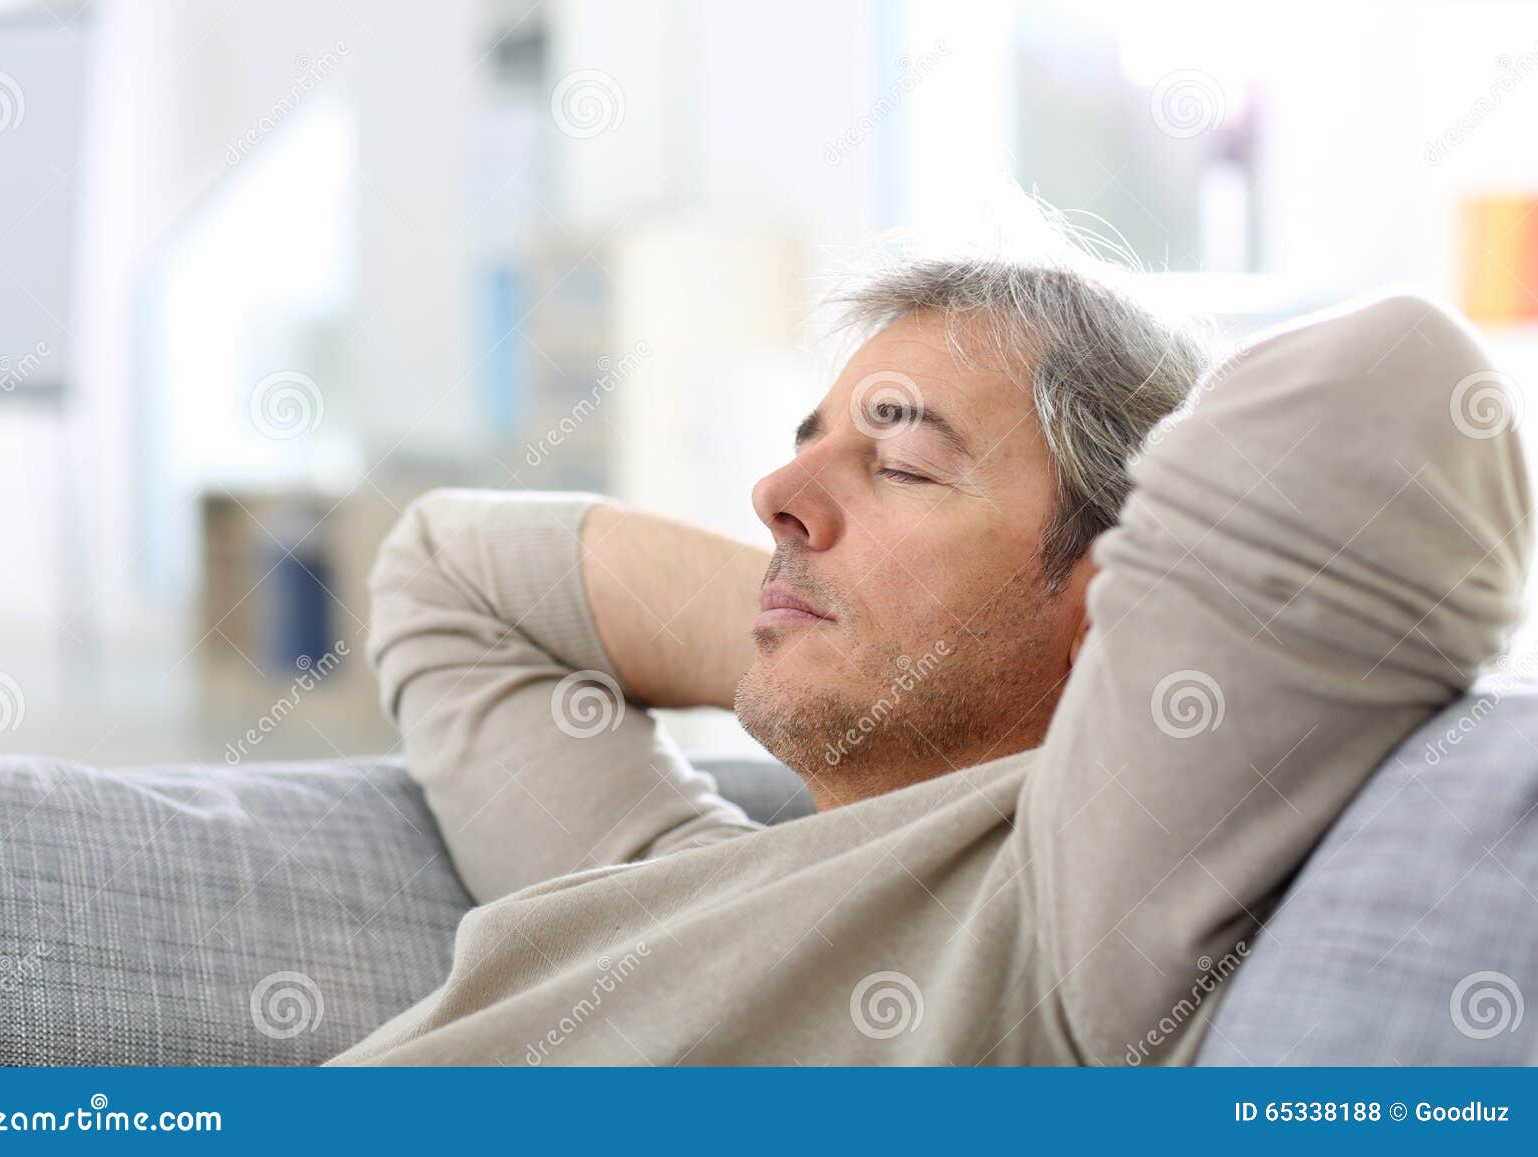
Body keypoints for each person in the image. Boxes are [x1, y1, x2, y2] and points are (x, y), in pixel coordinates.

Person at [326, 259, 1529, 1065]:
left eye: (899, 465)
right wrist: (806, 621)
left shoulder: (1068, 914)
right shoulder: (675, 874)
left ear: (1118, 609)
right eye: (809, 446)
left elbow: (1393, 382)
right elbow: (448, 573)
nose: (774, 494)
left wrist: (1049, 651)